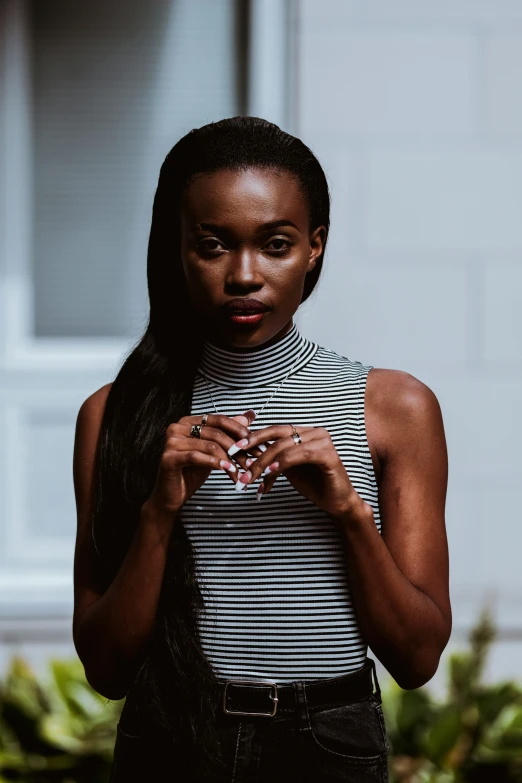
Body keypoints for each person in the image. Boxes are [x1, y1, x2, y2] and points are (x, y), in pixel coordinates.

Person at [72, 116, 451, 782]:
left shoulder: (395, 408)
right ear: (176, 250)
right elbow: (105, 668)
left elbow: (417, 658)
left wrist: (348, 509)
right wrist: (158, 511)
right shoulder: (116, 414)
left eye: (274, 244)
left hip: (327, 743)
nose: (244, 274)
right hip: (169, 736)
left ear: (314, 247)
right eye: (213, 245)